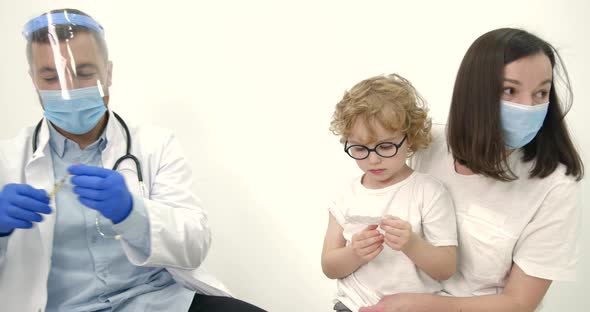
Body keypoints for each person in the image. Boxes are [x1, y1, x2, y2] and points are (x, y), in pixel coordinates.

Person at [0, 9, 265, 312]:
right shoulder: (7, 160)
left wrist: (132, 212)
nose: (69, 90)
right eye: (51, 77)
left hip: (158, 302)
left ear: (108, 73)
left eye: (85, 73)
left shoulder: (154, 145)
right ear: (33, 80)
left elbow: (194, 247)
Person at [360, 28, 584, 312]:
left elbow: (518, 302)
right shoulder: (431, 145)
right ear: (475, 92)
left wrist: (420, 305)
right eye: (510, 90)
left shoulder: (554, 187)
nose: (529, 106)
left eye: (541, 92)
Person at [322, 74, 458, 312]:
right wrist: (355, 253)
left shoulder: (428, 192)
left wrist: (411, 244)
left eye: (386, 146)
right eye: (360, 148)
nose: (373, 159)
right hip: (352, 305)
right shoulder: (346, 196)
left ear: (411, 138)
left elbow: (446, 268)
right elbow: (329, 266)